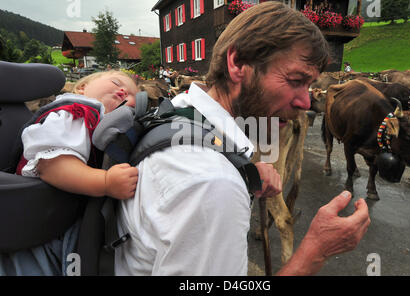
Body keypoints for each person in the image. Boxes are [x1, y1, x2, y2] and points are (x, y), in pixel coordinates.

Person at [114, 2, 370, 276]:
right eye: (296, 79)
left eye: (309, 86)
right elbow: (206, 187)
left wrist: (244, 172)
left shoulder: (178, 110)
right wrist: (316, 251)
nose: (306, 102)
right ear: (237, 64)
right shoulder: (212, 184)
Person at [18, 70, 140, 200]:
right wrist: (105, 182)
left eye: (132, 95)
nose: (124, 91)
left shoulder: (101, 124)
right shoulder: (75, 114)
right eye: (116, 82)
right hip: (37, 202)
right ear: (83, 87)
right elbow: (51, 165)